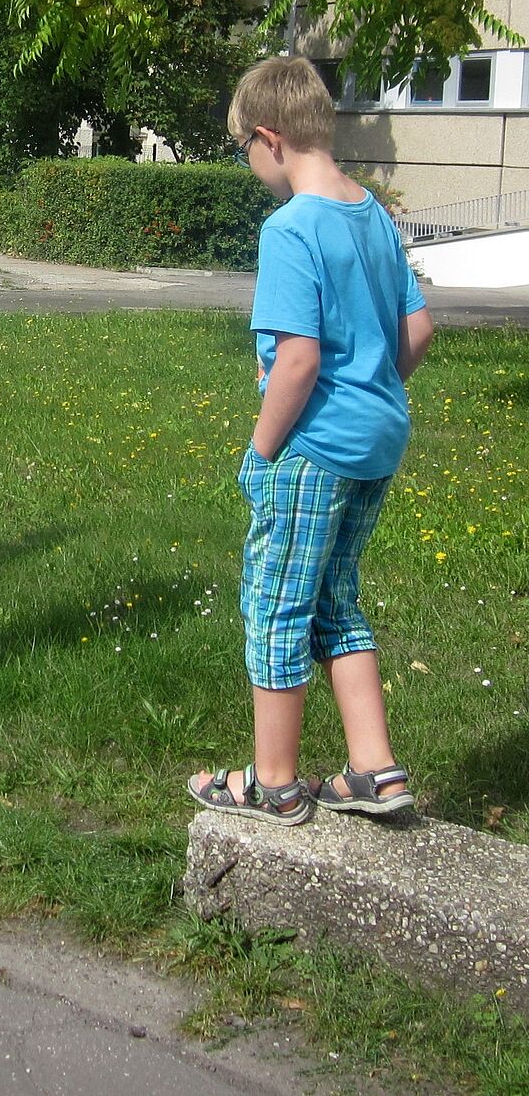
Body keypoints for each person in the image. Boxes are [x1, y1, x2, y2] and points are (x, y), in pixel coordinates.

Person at [189, 56, 434, 824]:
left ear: (269, 139)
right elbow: (418, 328)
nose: (250, 164)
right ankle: (374, 770)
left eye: (245, 150)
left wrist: (259, 453)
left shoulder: (291, 227)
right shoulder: (373, 214)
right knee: (336, 600)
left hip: (314, 450)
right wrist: (372, 385)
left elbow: (296, 359)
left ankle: (274, 784)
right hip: (378, 439)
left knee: (275, 605)